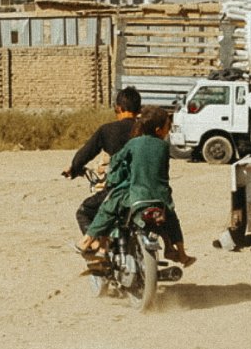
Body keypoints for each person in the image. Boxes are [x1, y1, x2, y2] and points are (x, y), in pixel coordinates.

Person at [83, 105, 196, 265]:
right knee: (172, 220)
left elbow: (117, 163)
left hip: (136, 197)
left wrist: (110, 170)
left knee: (108, 209)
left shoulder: (133, 144)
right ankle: (180, 252)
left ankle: (91, 242)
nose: (169, 131)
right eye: (168, 127)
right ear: (159, 130)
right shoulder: (164, 147)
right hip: (161, 199)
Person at [66, 86, 144, 237]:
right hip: (146, 188)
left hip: (119, 188)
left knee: (84, 212)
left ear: (118, 108)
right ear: (139, 109)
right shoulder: (146, 129)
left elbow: (84, 154)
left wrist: (75, 168)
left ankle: (95, 247)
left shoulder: (107, 130)